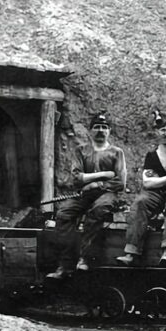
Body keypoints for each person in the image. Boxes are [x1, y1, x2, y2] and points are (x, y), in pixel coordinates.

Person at [46, 111, 126, 279]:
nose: (101, 130)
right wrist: (103, 175)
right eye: (97, 127)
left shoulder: (116, 152)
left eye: (104, 127)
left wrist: (96, 183)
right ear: (90, 130)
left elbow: (120, 182)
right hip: (85, 194)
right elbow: (76, 178)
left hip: (108, 194)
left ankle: (86, 258)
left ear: (109, 131)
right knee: (64, 214)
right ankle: (65, 264)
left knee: (97, 211)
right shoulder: (81, 151)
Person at [116, 113, 166, 267]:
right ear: (158, 133)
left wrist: (160, 182)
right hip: (156, 194)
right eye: (163, 130)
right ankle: (131, 252)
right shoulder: (152, 155)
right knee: (140, 203)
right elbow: (147, 183)